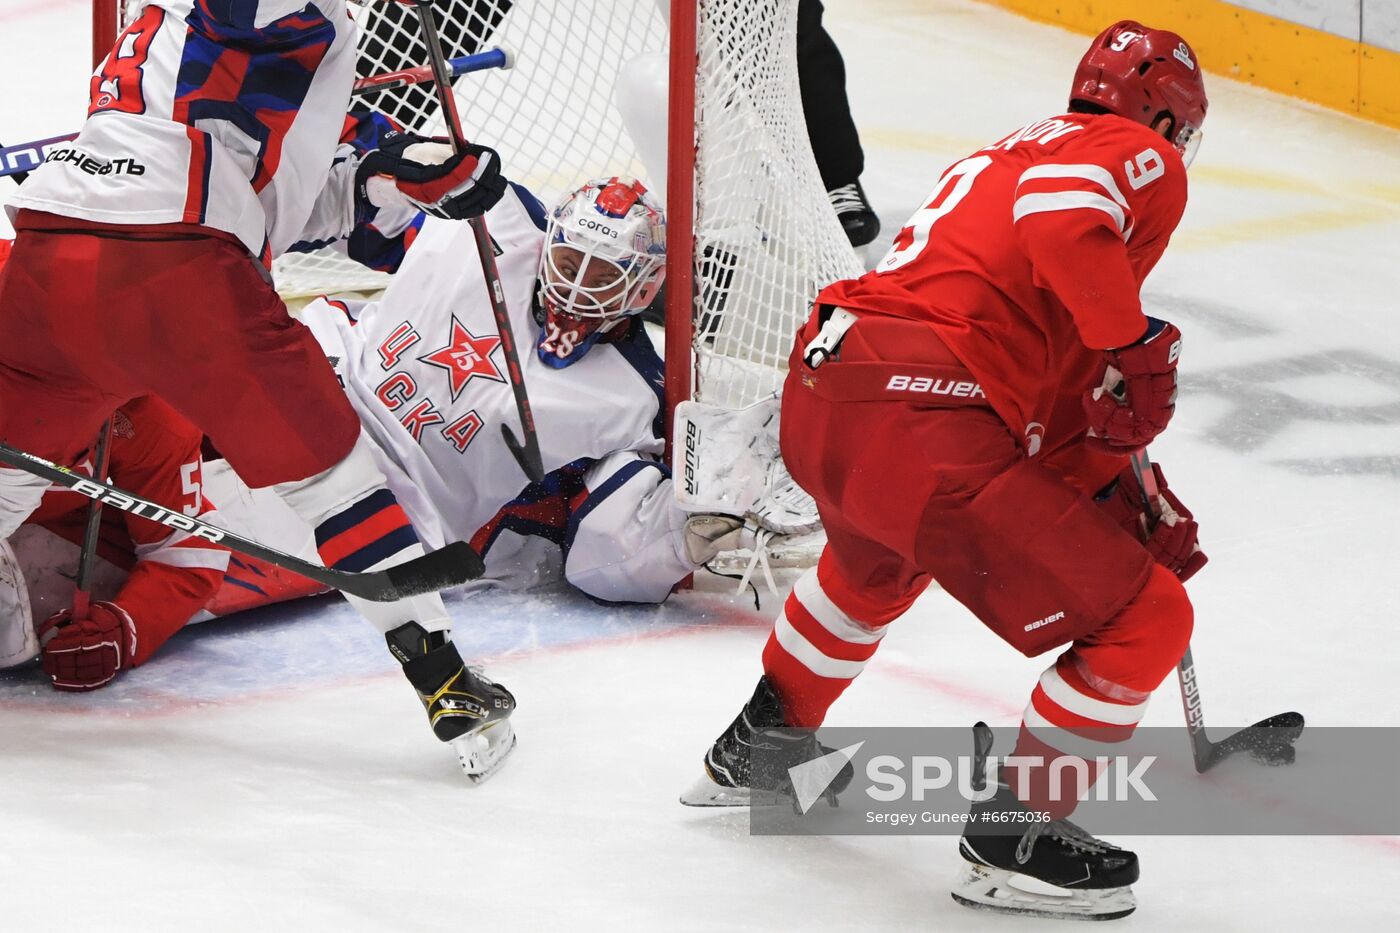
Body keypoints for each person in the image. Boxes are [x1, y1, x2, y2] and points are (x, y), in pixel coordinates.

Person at [681, 21, 1209, 921]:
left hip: (835, 391)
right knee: (1148, 616)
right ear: (1168, 117)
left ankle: (762, 743)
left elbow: (1038, 398)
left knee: (873, 567)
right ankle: (1017, 837)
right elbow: (1067, 223)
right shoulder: (1127, 150)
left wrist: (1117, 481)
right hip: (924, 415)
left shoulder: (1005, 154)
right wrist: (1135, 346)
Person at [0, 1, 515, 780]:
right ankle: (444, 681)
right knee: (333, 480)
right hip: (178, 265)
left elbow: (295, 201)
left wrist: (396, 178)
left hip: (49, 260)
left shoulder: (233, 51)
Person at [282, 173, 799, 603]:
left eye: (602, 276)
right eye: (571, 263)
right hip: (317, 383)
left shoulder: (634, 397)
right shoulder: (489, 213)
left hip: (393, 510)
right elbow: (365, 213)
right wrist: (408, 167)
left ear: (642, 287)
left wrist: (681, 533)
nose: (575, 286)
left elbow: (606, 543)